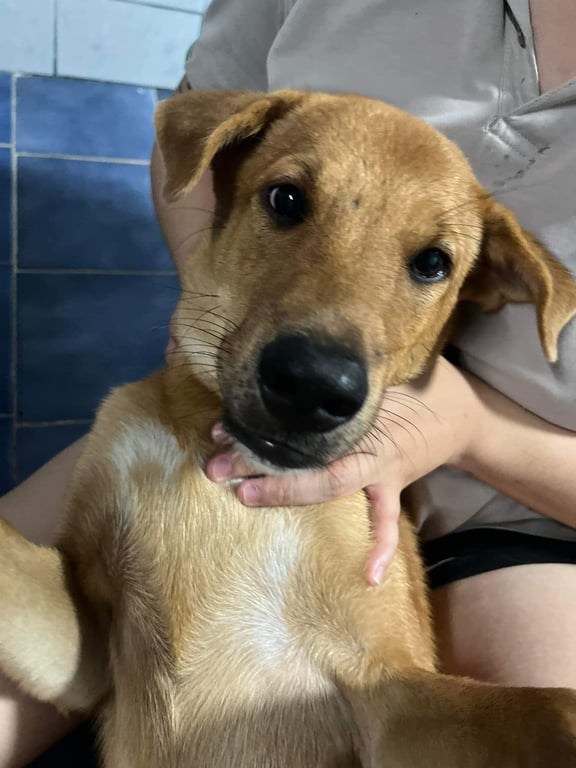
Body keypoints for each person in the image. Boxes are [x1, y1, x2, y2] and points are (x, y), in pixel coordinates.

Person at [0, 0, 575, 764]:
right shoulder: (135, 419)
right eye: (288, 200)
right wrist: (213, 307)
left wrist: (470, 429)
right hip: (214, 410)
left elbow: (393, 716)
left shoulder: (354, 511)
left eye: (430, 262)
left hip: (513, 510)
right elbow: (79, 649)